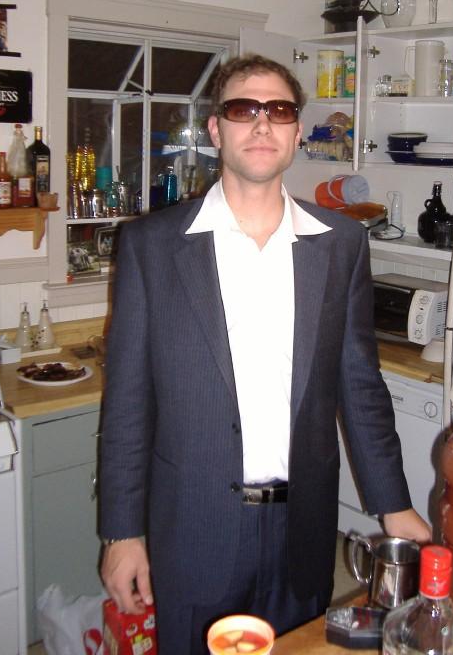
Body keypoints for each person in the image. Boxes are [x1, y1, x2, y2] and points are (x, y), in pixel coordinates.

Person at [99, 54, 431, 655]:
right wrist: (121, 532)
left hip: (301, 529)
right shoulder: (152, 245)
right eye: (242, 109)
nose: (261, 124)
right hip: (193, 529)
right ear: (215, 129)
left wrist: (394, 504)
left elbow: (360, 384)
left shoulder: (340, 244)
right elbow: (127, 400)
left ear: (297, 132)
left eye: (278, 111)